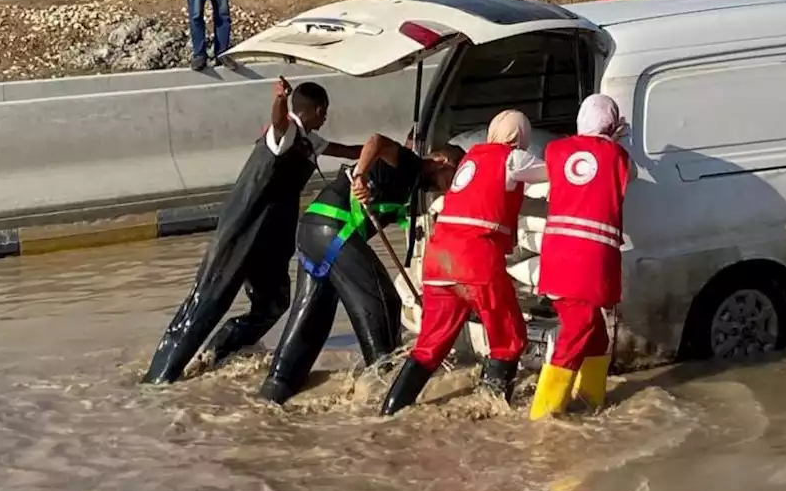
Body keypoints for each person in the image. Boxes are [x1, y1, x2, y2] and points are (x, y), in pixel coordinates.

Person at [143, 78, 361, 385]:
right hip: (242, 232)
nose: (326, 117)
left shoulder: (310, 141)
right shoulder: (284, 134)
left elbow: (350, 150)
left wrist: (388, 152)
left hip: (272, 240)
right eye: (324, 112)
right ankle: (160, 377)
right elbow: (278, 123)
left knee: (274, 302)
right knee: (208, 300)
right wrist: (280, 99)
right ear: (317, 109)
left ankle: (219, 352)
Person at [257, 136, 464, 405]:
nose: (450, 188)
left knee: (312, 316)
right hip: (333, 229)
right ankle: (383, 389)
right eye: (453, 177)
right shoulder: (410, 163)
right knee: (383, 300)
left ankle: (275, 390)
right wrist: (360, 176)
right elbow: (376, 141)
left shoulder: (409, 187)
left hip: (312, 231)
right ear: (442, 162)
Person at [380, 110, 548, 415]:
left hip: (438, 259)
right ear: (519, 136)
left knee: (430, 346)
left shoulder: (470, 160)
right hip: (475, 261)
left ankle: (389, 412)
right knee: (509, 338)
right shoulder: (512, 158)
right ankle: (489, 413)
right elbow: (556, 173)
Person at [529, 94, 635, 421]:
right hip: (592, 258)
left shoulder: (555, 150)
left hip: (557, 254)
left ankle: (590, 402)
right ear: (613, 123)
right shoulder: (618, 155)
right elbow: (624, 177)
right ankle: (545, 415)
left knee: (595, 334)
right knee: (581, 327)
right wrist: (612, 141)